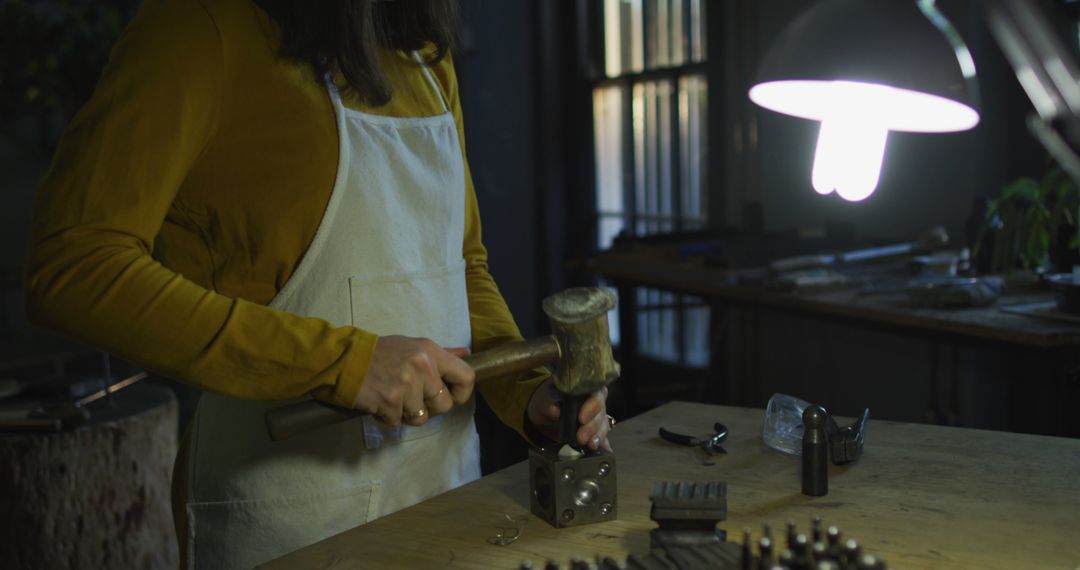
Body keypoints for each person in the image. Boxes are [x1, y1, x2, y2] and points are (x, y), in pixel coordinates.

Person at [24, 0, 612, 567]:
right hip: (290, 514)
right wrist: (346, 365)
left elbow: (462, 267)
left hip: (445, 493)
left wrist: (528, 394)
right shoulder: (199, 26)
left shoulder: (424, 57)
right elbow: (74, 266)